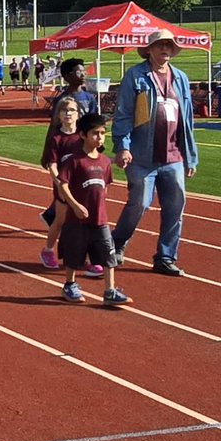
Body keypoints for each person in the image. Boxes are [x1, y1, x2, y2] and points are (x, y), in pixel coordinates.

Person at [111, 30, 198, 277]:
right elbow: (124, 114)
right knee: (139, 203)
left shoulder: (180, 78)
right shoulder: (136, 76)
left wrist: (190, 156)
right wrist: (123, 146)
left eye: (168, 47)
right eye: (160, 46)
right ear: (149, 49)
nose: (165, 50)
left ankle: (166, 256)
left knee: (175, 207)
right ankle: (117, 242)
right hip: (142, 156)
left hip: (173, 156)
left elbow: (187, 120)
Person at [57, 112, 130, 306]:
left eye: (102, 133)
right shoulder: (74, 160)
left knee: (108, 254)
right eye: (95, 133)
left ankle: (110, 290)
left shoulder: (105, 161)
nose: (99, 138)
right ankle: (70, 284)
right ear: (83, 135)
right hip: (77, 220)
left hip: (100, 219)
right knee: (74, 254)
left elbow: (105, 185)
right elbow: (62, 184)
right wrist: (75, 205)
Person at [38, 96, 81, 271]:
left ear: (78, 114)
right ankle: (48, 250)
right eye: (64, 110)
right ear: (59, 115)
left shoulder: (83, 136)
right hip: (63, 186)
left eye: (71, 110)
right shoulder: (56, 139)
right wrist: (59, 184)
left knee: (83, 221)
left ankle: (85, 255)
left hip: (82, 185)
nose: (68, 113)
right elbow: (52, 165)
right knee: (60, 220)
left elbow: (94, 155)